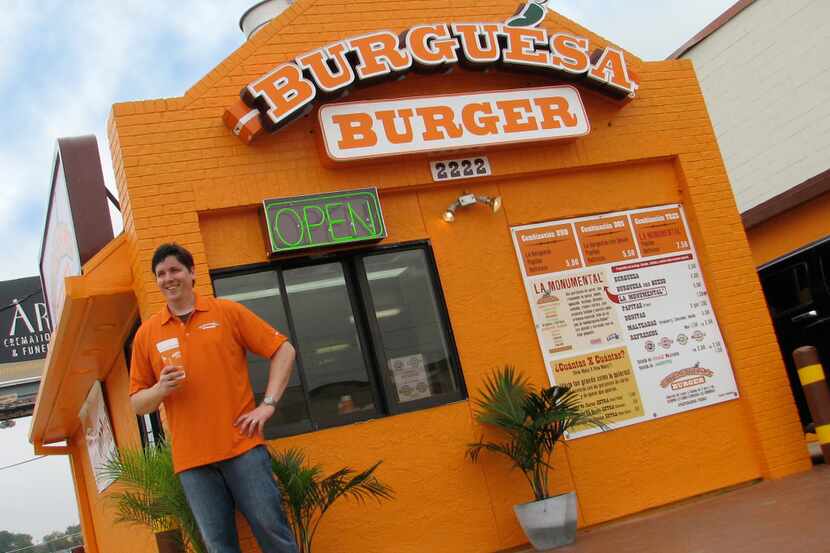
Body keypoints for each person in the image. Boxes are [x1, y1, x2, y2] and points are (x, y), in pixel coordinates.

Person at [129, 243, 299, 553]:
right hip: (192, 463)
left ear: (192, 273)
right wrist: (159, 390)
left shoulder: (227, 312)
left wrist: (267, 405)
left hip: (243, 448)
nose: (168, 278)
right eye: (161, 273)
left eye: (175, 270)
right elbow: (138, 404)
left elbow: (283, 350)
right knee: (220, 547)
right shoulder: (147, 334)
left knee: (274, 534)